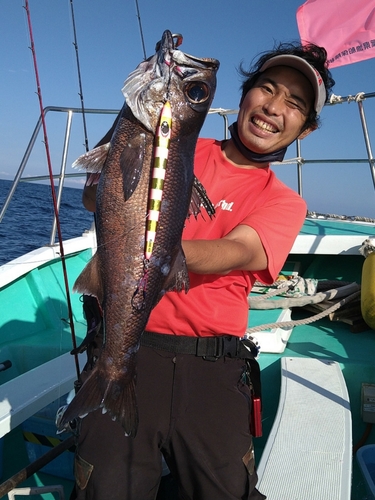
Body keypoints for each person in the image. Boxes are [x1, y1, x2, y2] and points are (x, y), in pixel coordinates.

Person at [69, 41, 335, 500]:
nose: (273, 108)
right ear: (246, 94)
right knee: (105, 489)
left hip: (212, 366)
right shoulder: (175, 145)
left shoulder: (285, 203)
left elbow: (238, 251)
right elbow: (94, 199)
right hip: (134, 345)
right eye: (267, 90)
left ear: (305, 130)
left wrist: (146, 254)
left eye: (293, 104)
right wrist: (129, 129)